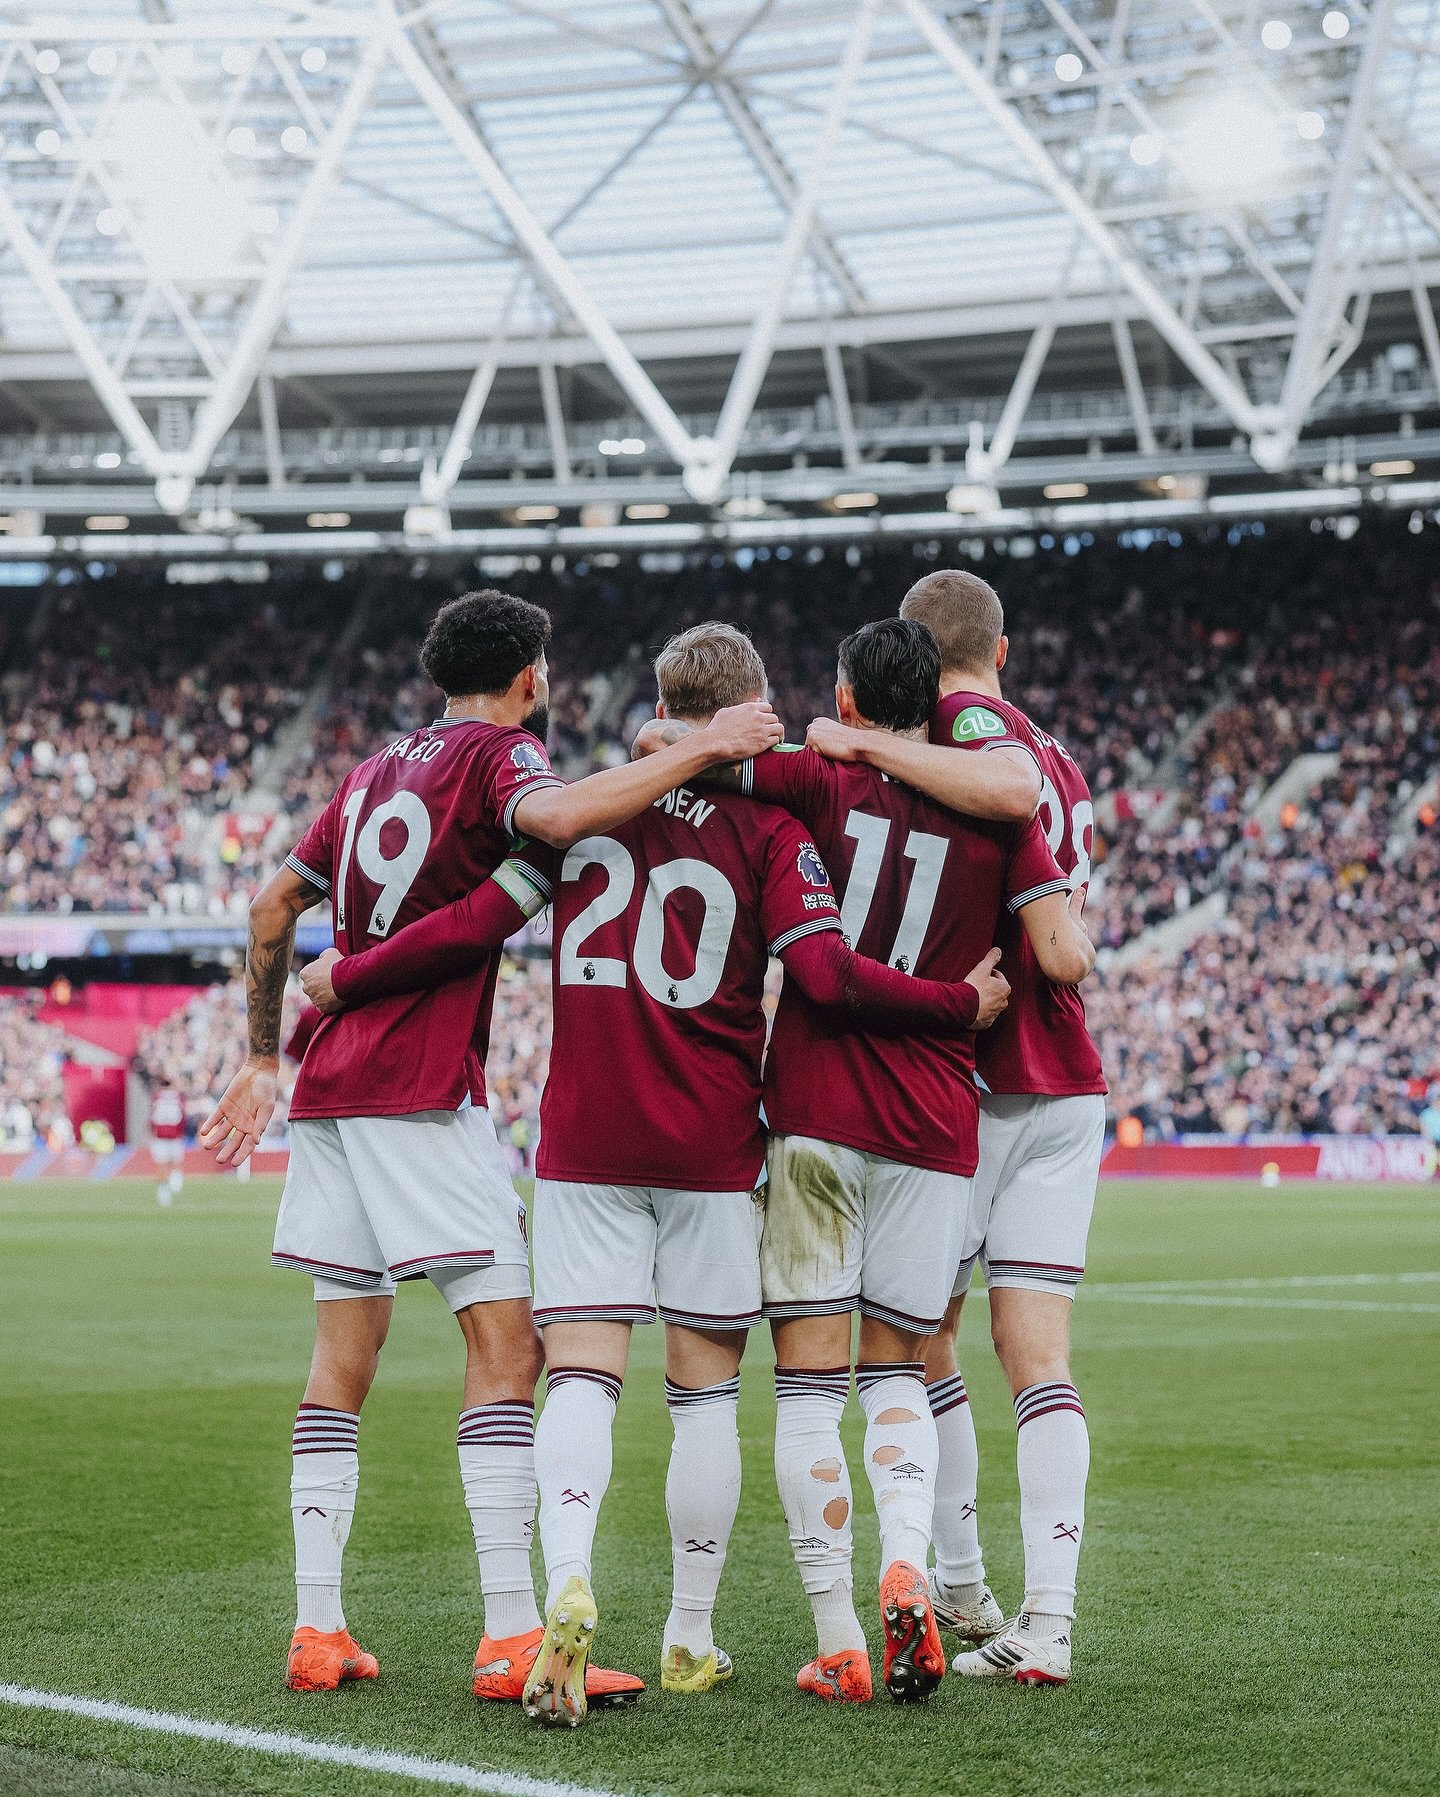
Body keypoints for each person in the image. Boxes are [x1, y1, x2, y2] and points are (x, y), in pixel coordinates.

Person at [299, 621, 1004, 1726]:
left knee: (578, 1375)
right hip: (713, 1142)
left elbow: (478, 918)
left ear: (662, 705)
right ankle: (689, 1634)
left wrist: (338, 977)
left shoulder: (585, 812)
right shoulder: (773, 827)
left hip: (584, 1137)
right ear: (745, 713)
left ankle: (567, 1582)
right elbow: (817, 969)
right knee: (706, 1394)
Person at [198, 590, 783, 1701]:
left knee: (339, 1366)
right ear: (531, 679)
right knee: (515, 1355)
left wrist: (263, 1054)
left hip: (326, 1091)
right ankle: (514, 1631)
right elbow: (559, 826)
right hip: (421, 1095)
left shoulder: (373, 770)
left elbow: (274, 906)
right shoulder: (505, 757)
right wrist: (704, 746)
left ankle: (317, 1629)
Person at [636, 617, 1093, 1705]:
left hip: (814, 1114)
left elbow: (668, 744)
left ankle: (839, 1630)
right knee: (901, 1365)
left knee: (806, 1386)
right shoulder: (1000, 818)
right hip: (937, 1126)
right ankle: (911, 1561)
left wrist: (771, 742)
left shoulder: (811, 784)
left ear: (844, 701)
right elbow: (1065, 951)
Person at [808, 569, 1108, 1687]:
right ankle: (1039, 1615)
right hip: (1067, 1080)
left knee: (914, 1335)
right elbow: (1069, 930)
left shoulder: (965, 728)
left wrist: (865, 748)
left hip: (977, 1077)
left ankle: (966, 1575)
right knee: (1035, 1360)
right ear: (1007, 646)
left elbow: (1007, 787)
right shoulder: (1064, 750)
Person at [149, 1084, 186, 1207]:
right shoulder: (178, 1098)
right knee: (174, 1164)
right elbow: (183, 1117)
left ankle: (163, 1192)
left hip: (161, 1137)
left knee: (162, 1165)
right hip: (174, 1136)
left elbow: (151, 1118)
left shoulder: (157, 1098)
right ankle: (171, 1186)